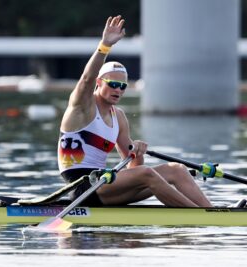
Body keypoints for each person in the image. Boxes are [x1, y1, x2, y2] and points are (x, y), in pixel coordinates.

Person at [58, 15, 212, 208]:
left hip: (103, 183)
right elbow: (86, 78)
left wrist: (136, 151)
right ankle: (200, 216)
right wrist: (104, 45)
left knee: (177, 170)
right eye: (113, 84)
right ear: (99, 83)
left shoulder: (119, 117)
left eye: (122, 86)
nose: (118, 90)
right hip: (82, 187)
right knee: (147, 174)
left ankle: (213, 212)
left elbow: (134, 170)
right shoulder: (82, 108)